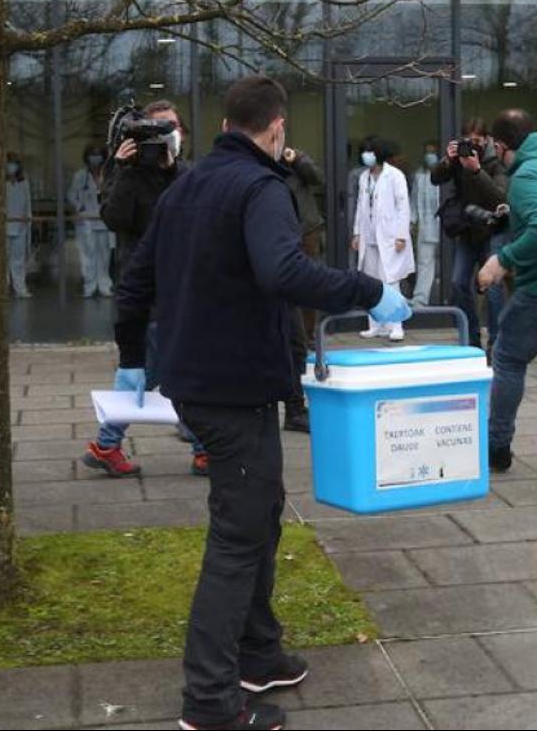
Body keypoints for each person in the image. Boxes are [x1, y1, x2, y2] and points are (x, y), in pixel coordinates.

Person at [113, 74, 409, 731]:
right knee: (239, 537)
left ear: (224, 125)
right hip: (232, 388)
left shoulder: (185, 185)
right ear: (276, 129)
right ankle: (210, 701)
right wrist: (369, 289)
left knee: (261, 514)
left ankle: (258, 652)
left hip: (202, 384)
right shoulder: (260, 188)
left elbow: (134, 284)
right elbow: (285, 271)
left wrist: (133, 360)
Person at [87, 100, 207, 478]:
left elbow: (196, 212)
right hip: (145, 288)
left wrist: (171, 169)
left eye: (170, 126)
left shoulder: (186, 173)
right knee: (157, 367)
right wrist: (120, 169)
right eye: (155, 128)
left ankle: (107, 444)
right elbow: (114, 219)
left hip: (181, 285)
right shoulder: (128, 173)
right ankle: (109, 443)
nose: (164, 134)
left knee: (157, 368)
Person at [479, 109, 537, 473]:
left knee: (508, 358)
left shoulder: (526, 176)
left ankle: (496, 447)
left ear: (501, 147)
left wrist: (503, 259)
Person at [432, 118, 511, 351]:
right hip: (468, 231)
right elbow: (435, 178)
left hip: (494, 229)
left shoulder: (496, 160)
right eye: (468, 141)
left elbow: (500, 198)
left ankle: (496, 341)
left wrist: (476, 169)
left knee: (493, 286)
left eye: (477, 141)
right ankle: (471, 337)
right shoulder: (458, 158)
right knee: (457, 283)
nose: (473, 146)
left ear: (486, 140)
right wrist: (448, 160)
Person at [353, 137, 415, 341]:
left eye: (370, 151)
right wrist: (357, 233)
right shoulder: (364, 177)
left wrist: (401, 235)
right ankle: (376, 325)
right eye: (365, 152)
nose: (366, 155)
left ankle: (396, 326)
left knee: (391, 281)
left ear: (378, 154)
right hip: (369, 235)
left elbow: (403, 207)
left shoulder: (395, 176)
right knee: (371, 283)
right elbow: (360, 207)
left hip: (389, 237)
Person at [281, 146, 325, 434]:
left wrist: (298, 159)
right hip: (280, 237)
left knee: (305, 309)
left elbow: (317, 178)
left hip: (305, 232)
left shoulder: (293, 159)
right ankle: (293, 407)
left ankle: (295, 408)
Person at [71, 144, 113, 298]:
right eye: (92, 154)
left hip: (104, 220)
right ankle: (89, 286)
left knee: (104, 256)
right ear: (87, 157)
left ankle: (104, 286)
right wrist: (79, 207)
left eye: (98, 154)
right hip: (86, 220)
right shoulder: (80, 176)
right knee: (87, 255)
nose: (95, 158)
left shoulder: (109, 175)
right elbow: (72, 195)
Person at [411, 141, 444, 307]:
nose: (429, 156)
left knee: (445, 263)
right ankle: (420, 299)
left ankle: (446, 298)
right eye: (427, 152)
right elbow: (414, 200)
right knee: (424, 263)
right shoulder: (419, 175)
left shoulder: (446, 176)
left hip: (444, 226)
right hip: (425, 226)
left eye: (432, 152)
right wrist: (412, 221)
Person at [5, 153, 34, 298]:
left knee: (18, 260)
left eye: (14, 163)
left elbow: (27, 204)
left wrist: (28, 220)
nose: (11, 167)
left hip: (21, 226)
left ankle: (20, 288)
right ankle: (3, 289)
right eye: (9, 163)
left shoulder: (24, 183)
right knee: (3, 260)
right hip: (4, 226)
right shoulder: (0, 184)